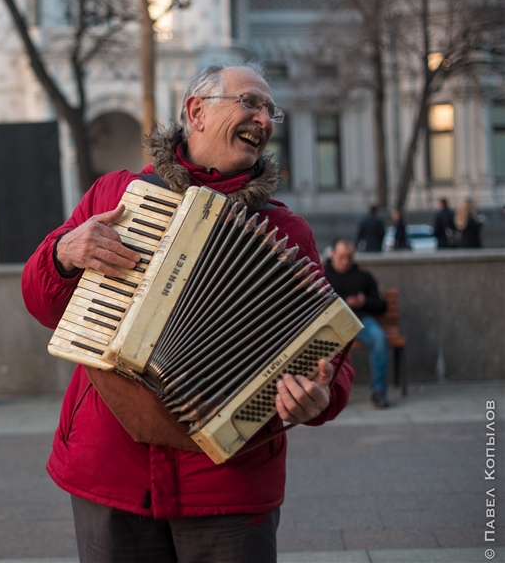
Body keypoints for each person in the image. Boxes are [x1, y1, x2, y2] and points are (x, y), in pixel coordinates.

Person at [22, 63, 355, 562]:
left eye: (270, 109)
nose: (264, 119)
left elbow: (331, 353)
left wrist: (322, 396)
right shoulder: (117, 195)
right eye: (250, 102)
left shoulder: (286, 233)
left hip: (230, 482)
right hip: (112, 471)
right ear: (196, 111)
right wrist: (63, 253)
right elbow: (42, 304)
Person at [323, 238, 389, 408]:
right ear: (333, 255)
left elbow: (382, 305)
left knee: (379, 339)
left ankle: (378, 390)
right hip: (331, 323)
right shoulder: (322, 276)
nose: (346, 261)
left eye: (350, 257)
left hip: (360, 320)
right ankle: (325, 393)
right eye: (342, 257)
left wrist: (364, 301)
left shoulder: (363, 277)